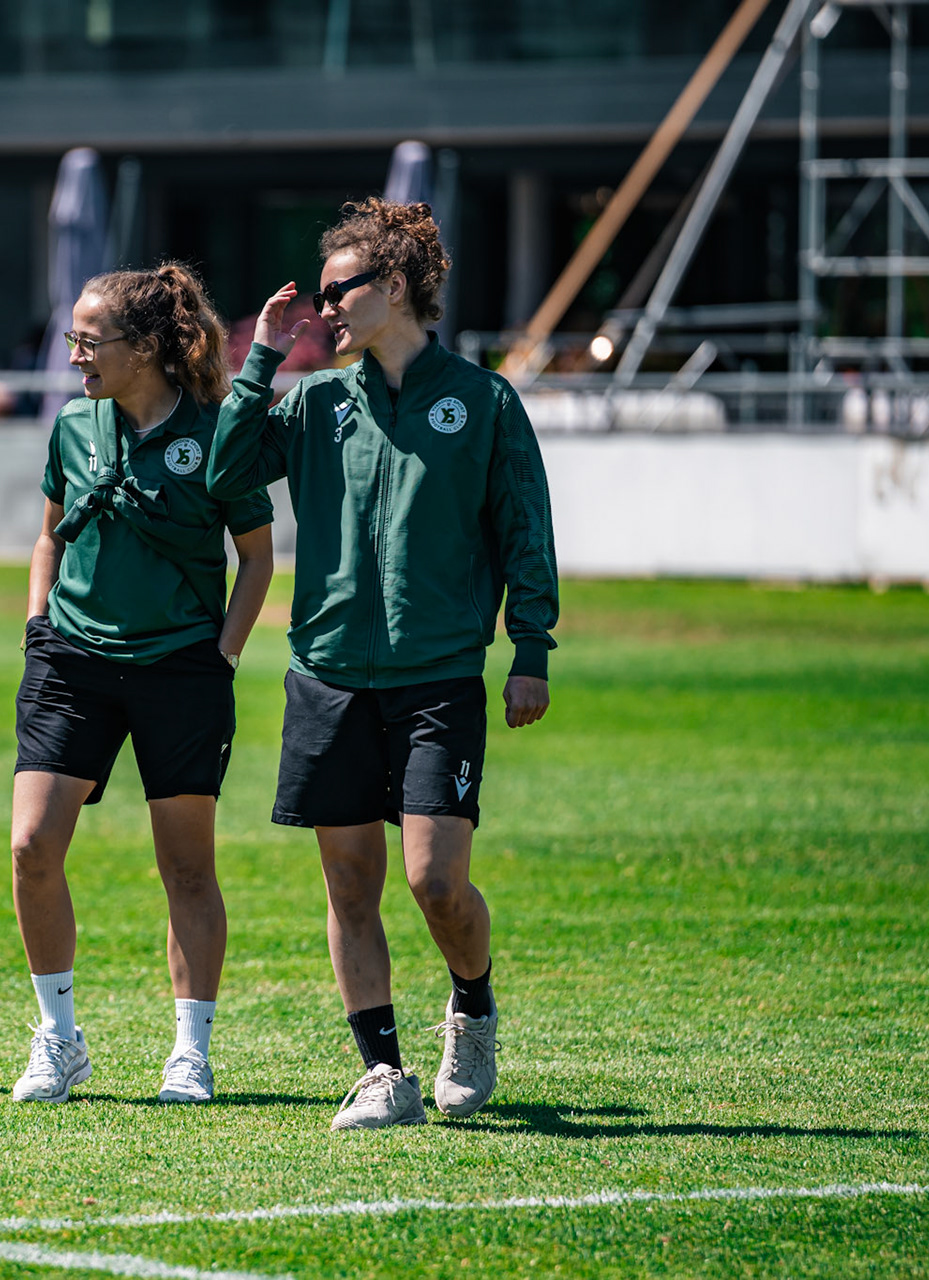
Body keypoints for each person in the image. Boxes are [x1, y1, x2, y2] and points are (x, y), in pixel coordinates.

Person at [208, 199, 558, 1129]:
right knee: (350, 886)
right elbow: (222, 473)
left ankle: (473, 1002)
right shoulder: (318, 401)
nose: (322, 306)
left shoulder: (483, 400)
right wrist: (261, 360)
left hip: (439, 676)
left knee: (435, 881)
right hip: (326, 673)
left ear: (393, 287)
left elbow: (525, 530)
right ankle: (382, 1074)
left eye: (336, 291)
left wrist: (530, 649)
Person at [11, 263, 276, 1105]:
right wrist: (38, 626)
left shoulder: (218, 431)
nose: (76, 354)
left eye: (92, 340)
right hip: (71, 661)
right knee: (30, 847)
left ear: (150, 346)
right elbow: (49, 535)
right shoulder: (72, 426)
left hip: (181, 670)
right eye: (73, 338)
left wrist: (222, 658)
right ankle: (58, 1040)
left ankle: (189, 1052)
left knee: (186, 870)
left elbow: (258, 557)